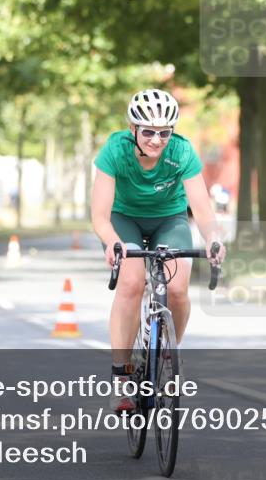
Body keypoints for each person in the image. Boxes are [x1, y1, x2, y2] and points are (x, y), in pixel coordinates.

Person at [91, 88, 225, 412]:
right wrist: (112, 241)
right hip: (124, 220)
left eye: (164, 132)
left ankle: (167, 353)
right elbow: (99, 214)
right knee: (132, 282)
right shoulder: (115, 151)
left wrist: (213, 240)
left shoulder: (181, 152)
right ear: (132, 129)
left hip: (169, 218)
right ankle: (121, 377)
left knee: (177, 288)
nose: (156, 139)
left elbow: (203, 211)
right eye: (148, 131)